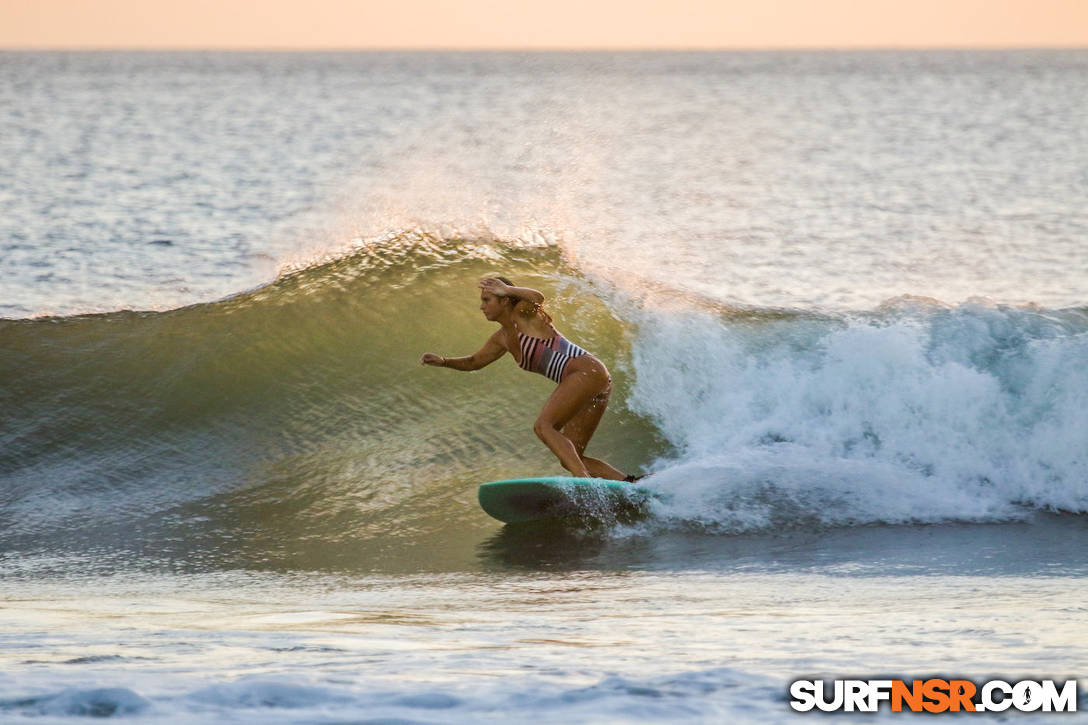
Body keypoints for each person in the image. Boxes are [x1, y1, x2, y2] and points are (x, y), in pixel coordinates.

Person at [420, 277, 638, 481]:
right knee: (572, 456)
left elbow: (538, 297)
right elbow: (474, 362)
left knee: (544, 426)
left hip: (585, 371)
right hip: (593, 380)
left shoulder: (523, 314)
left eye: (487, 300)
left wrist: (507, 288)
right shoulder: (502, 338)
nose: (482, 306)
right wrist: (444, 361)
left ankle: (584, 484)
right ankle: (631, 485)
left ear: (504, 301)